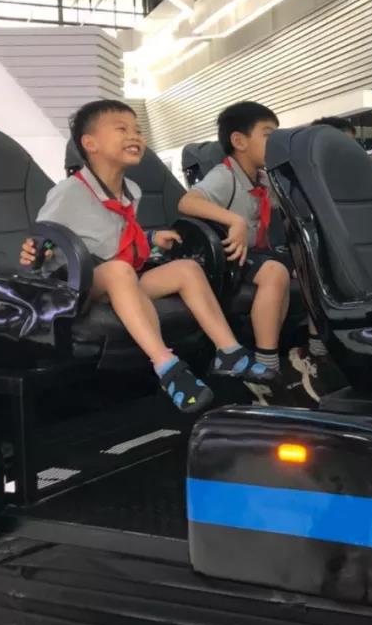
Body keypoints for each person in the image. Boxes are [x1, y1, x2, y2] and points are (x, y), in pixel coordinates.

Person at [19, 100, 254, 414]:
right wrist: (34, 249)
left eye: (138, 130)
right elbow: (44, 235)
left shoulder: (131, 190)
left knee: (186, 268)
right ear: (90, 144)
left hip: (123, 278)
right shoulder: (69, 192)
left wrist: (151, 238)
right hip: (78, 284)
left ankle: (229, 351)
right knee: (118, 270)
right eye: (122, 129)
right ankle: (167, 366)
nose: (135, 136)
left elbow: (114, 234)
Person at [177, 101, 343, 405]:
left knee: (312, 263)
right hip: (229, 256)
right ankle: (266, 367)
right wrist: (234, 220)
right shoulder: (225, 174)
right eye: (268, 135)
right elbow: (187, 202)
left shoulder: (264, 179)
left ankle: (318, 350)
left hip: (258, 255)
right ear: (239, 141)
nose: (274, 142)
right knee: (275, 272)